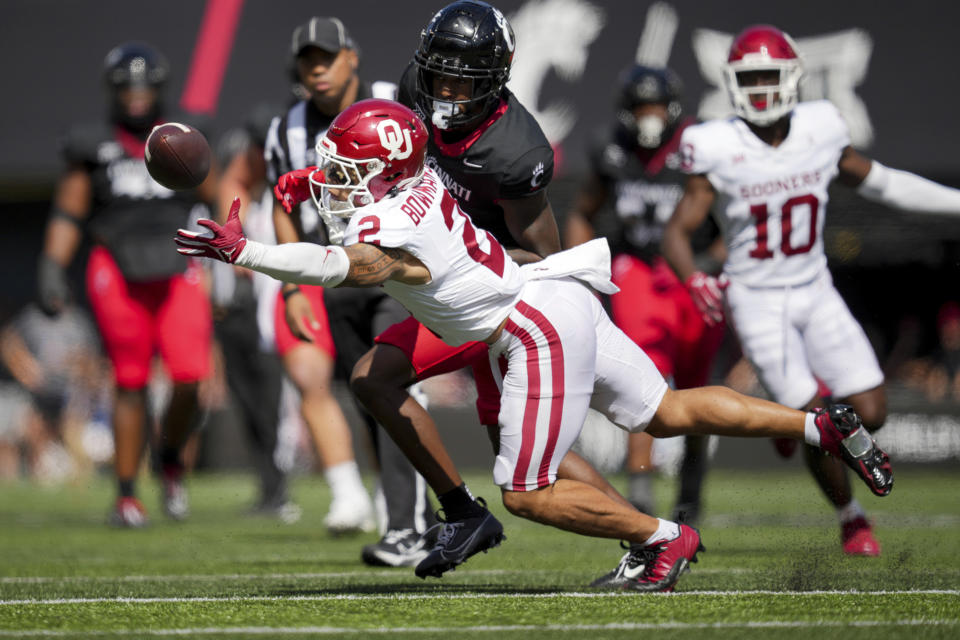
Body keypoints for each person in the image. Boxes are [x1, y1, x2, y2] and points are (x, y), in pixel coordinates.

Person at [175, 97, 894, 593]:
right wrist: (313, 178)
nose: (334, 184)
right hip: (552, 294)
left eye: (346, 173)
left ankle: (661, 537)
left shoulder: (392, 232)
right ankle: (820, 423)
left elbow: (338, 266)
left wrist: (247, 253)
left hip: (529, 328)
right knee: (666, 412)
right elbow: (363, 191)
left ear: (384, 177)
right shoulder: (416, 176)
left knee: (526, 492)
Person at [662, 24, 960, 557]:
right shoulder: (715, 143)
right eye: (748, 78)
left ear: (793, 78)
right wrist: (695, 276)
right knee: (820, 421)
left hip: (814, 286)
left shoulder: (820, 128)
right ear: (730, 83)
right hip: (755, 297)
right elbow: (678, 230)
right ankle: (852, 517)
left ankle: (789, 423)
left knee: (870, 411)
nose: (758, 89)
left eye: (767, 77)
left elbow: (883, 181)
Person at [265, 16, 438, 552]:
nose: (318, 69)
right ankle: (423, 512)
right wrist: (292, 288)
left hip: (395, 270)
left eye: (328, 57)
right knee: (369, 394)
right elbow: (283, 205)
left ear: (352, 57)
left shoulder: (396, 100)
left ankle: (407, 524)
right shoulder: (285, 129)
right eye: (308, 60)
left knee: (386, 383)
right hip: (338, 277)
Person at [37, 42, 216, 526]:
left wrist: (240, 257)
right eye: (127, 86)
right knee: (130, 380)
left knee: (189, 378)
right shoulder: (92, 142)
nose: (136, 95)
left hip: (180, 263)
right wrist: (53, 264)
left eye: (144, 85)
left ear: (159, 87)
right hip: (117, 265)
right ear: (114, 90)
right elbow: (69, 211)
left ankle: (170, 457)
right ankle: (126, 494)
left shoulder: (184, 133)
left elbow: (221, 194)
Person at [564, 64, 725, 526]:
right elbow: (583, 212)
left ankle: (691, 490)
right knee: (645, 374)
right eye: (640, 108)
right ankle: (640, 491)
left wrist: (713, 262)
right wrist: (584, 269)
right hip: (636, 266)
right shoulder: (612, 146)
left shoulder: (698, 145)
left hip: (691, 271)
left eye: (656, 107)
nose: (649, 117)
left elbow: (734, 218)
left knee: (696, 385)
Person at [212, 105, 301, 521]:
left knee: (274, 404)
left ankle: (281, 487)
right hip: (234, 314)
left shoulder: (283, 197)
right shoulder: (235, 193)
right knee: (248, 404)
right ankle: (268, 487)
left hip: (276, 312)